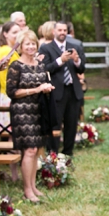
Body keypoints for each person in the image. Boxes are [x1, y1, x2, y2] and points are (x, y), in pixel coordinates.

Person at [6, 29, 55, 203]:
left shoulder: (40, 65)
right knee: (29, 150)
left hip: (38, 111)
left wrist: (47, 88)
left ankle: (33, 186)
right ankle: (26, 189)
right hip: (22, 112)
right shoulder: (16, 66)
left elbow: (44, 83)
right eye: (27, 44)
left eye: (33, 43)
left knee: (36, 151)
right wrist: (36, 89)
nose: (31, 47)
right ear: (20, 46)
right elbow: (11, 92)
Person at [40, 21, 86, 155]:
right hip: (56, 91)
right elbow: (45, 69)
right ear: (54, 31)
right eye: (59, 30)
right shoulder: (46, 48)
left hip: (73, 90)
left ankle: (68, 152)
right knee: (55, 122)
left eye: (64, 30)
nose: (62, 33)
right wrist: (60, 60)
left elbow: (82, 68)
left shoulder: (74, 46)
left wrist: (77, 60)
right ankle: (53, 153)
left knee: (71, 123)